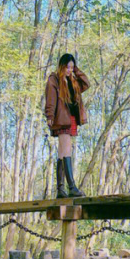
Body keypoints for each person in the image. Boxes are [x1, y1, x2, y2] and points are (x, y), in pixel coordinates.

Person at [43, 53, 90, 197]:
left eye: (72, 67)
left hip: (72, 118)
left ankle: (60, 190)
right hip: (61, 118)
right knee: (67, 150)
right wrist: (49, 116)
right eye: (68, 67)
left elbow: (86, 83)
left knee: (63, 153)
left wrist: (76, 71)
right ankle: (72, 187)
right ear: (61, 65)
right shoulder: (54, 79)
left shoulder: (73, 81)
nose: (69, 70)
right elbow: (50, 98)